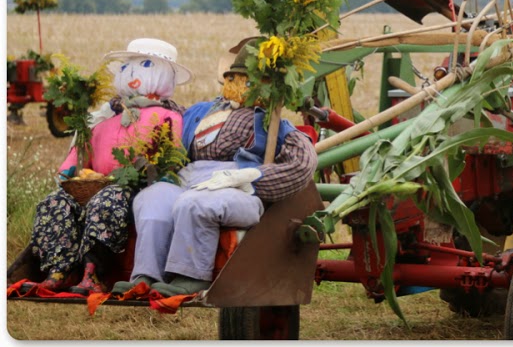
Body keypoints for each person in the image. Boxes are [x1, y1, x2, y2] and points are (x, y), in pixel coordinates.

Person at [117, 43, 318, 296]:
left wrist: (250, 177)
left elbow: (302, 164)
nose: (239, 84)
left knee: (195, 204)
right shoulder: (202, 111)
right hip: (188, 177)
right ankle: (145, 274)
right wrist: (137, 104)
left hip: (238, 188)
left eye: (251, 80)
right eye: (234, 78)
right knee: (152, 199)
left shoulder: (275, 123)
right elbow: (173, 114)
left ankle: (190, 276)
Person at [18, 39, 189, 294]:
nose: (132, 74)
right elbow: (82, 149)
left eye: (143, 66)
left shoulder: (168, 116)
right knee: (54, 202)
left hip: (133, 188)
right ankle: (58, 271)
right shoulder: (106, 115)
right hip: (91, 184)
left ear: (164, 74)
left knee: (108, 199)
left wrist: (151, 171)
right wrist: (68, 172)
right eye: (127, 67)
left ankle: (93, 274)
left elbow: (170, 157)